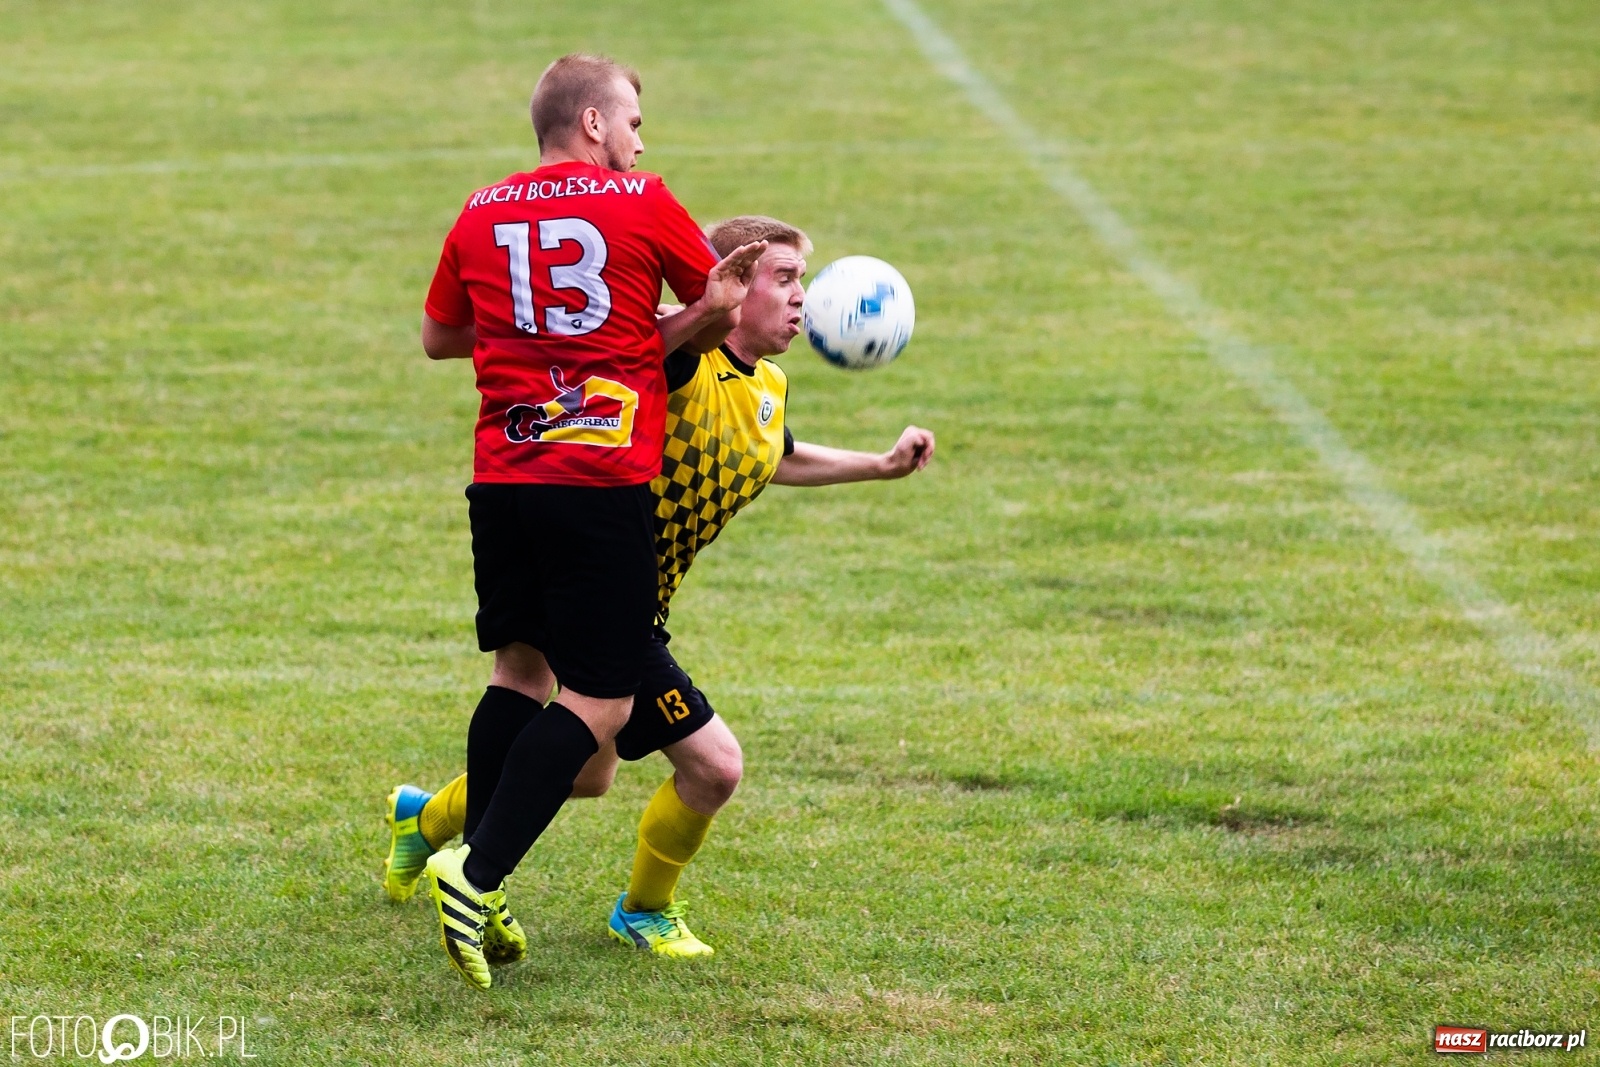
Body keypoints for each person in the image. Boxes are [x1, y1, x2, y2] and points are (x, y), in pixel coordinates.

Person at [385, 215, 936, 962]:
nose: (801, 296)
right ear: (732, 284)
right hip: (600, 583)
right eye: (783, 278)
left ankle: (425, 820)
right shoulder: (677, 363)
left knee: (586, 772)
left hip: (627, 594)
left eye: (802, 279)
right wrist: (687, 314)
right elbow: (634, 350)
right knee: (714, 766)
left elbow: (776, 452)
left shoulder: (766, 385)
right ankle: (642, 910)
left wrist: (879, 464)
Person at [417, 52, 767, 990]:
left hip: (503, 478)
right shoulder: (644, 200)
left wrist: (532, 341)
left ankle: (477, 888)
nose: (641, 144)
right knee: (604, 698)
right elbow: (711, 307)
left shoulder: (479, 211)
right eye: (635, 126)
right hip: (597, 480)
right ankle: (474, 869)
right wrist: (715, 303)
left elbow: (440, 338)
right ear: (596, 126)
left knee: (518, 672)